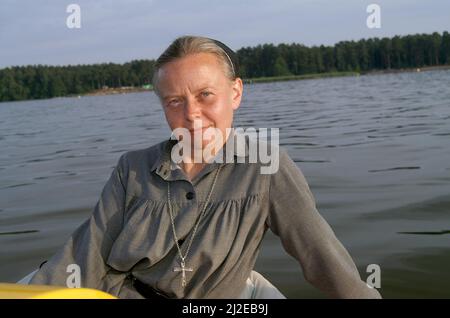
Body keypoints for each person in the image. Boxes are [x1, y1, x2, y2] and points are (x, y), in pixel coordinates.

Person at [30, 35, 381, 299]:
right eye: (175, 101)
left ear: (236, 93)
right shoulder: (132, 168)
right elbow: (86, 252)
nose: (191, 114)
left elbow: (322, 258)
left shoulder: (266, 168)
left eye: (205, 95)